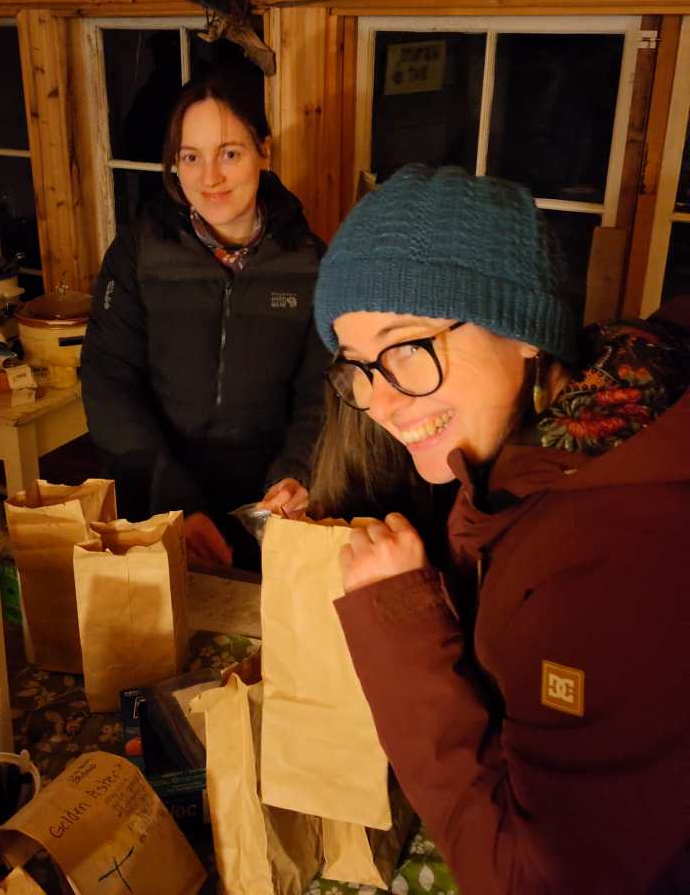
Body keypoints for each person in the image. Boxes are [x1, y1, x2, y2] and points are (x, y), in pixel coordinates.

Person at [312, 164, 690, 894]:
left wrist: (399, 622)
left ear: (523, 330)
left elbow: (531, 882)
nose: (382, 403)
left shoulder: (611, 566)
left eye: (408, 346)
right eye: (357, 367)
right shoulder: (570, 437)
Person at [81, 75, 328, 569]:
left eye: (230, 153)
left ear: (264, 151)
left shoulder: (309, 262)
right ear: (175, 163)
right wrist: (176, 502)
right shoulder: (139, 251)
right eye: (191, 156)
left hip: (265, 508)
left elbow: (319, 394)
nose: (210, 177)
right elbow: (107, 380)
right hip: (153, 497)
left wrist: (296, 471)